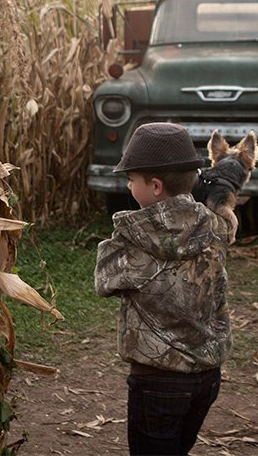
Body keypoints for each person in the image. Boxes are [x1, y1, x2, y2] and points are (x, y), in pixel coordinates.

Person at [95, 122, 232, 455]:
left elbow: (105, 281)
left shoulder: (131, 238)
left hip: (157, 381)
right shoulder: (214, 228)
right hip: (208, 377)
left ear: (154, 186)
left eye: (131, 180)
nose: (128, 187)